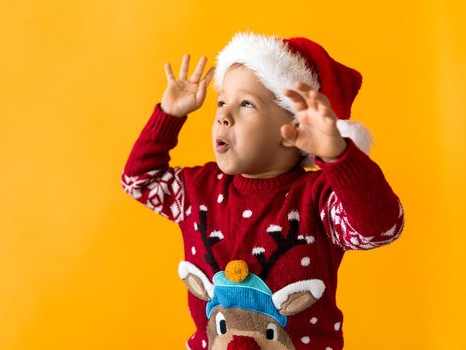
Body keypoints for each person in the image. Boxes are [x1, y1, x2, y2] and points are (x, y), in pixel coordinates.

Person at [120, 31, 404, 350]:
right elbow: (139, 181)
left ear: (292, 131)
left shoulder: (319, 200)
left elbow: (380, 228)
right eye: (222, 102)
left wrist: (338, 157)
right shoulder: (197, 190)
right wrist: (169, 117)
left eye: (245, 104)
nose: (222, 116)